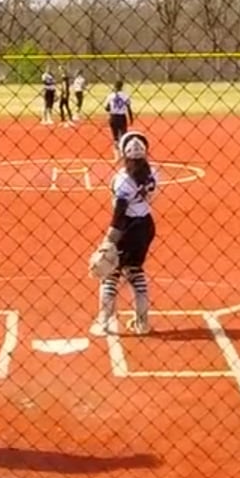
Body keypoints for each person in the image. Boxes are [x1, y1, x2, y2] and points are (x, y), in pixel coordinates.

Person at [88, 131, 159, 336]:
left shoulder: (122, 179)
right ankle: (142, 323)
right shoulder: (154, 173)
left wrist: (109, 239)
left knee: (110, 274)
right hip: (146, 225)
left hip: (126, 227)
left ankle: (104, 321)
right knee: (135, 270)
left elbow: (120, 212)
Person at [104, 81, 134, 158]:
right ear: (122, 87)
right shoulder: (125, 96)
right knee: (124, 135)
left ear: (114, 87)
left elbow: (106, 108)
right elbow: (129, 108)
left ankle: (117, 154)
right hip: (122, 117)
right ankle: (123, 152)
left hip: (113, 117)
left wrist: (112, 108)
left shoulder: (110, 96)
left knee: (115, 136)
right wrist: (131, 118)